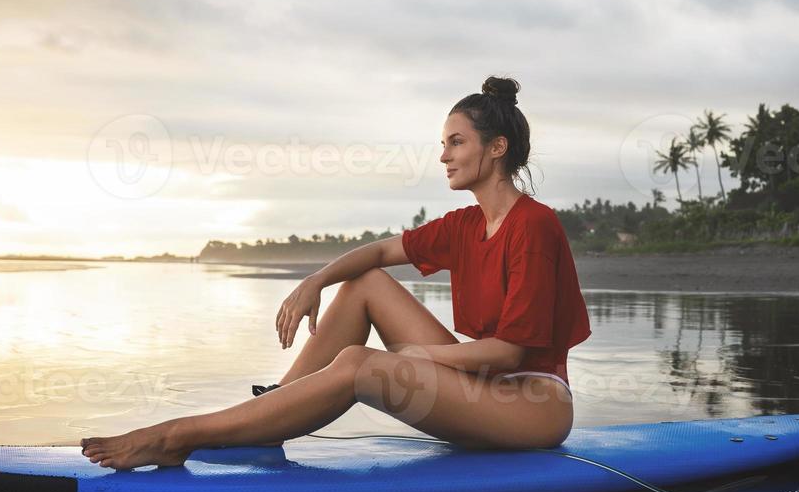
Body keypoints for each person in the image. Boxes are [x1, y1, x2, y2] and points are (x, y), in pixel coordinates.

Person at [80, 76, 592, 469]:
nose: (443, 156)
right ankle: (272, 414)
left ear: (496, 147)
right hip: (481, 389)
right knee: (364, 285)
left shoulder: (534, 226)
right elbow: (374, 256)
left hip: (530, 404)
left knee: (358, 364)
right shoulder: (465, 224)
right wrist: (314, 281)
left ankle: (177, 436)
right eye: (443, 144)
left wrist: (418, 356)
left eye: (455, 142)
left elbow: (509, 352)